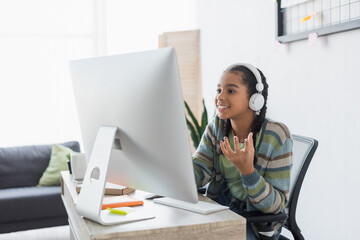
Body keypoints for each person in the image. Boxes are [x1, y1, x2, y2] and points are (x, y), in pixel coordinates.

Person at [192, 63, 293, 240]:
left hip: (254, 225)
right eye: (218, 90)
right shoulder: (216, 128)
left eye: (231, 91)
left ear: (255, 99)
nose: (220, 97)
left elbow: (275, 206)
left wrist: (248, 172)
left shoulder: (276, 136)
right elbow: (199, 173)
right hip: (220, 213)